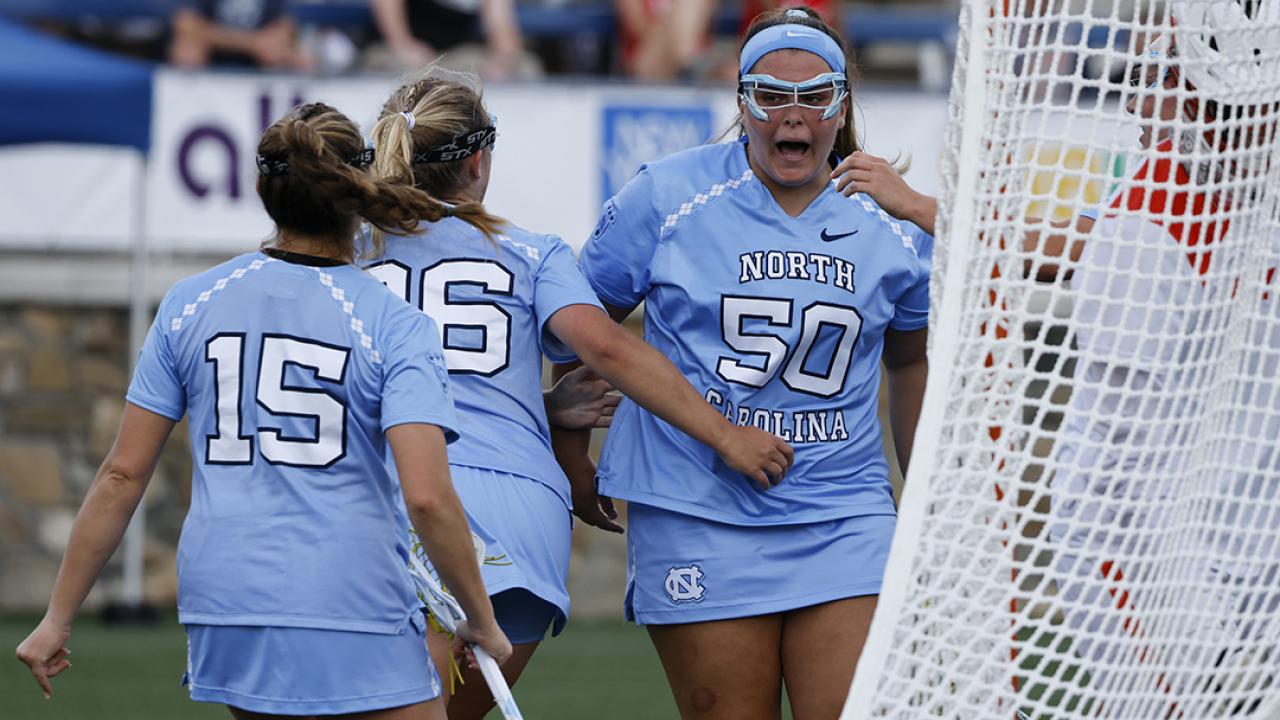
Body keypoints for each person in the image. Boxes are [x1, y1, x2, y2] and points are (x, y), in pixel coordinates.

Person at [834, 1, 1280, 712]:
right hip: (1182, 555)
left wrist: (919, 204)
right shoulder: (1168, 199)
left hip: (1189, 550)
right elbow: (1065, 241)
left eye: (1154, 77)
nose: (1134, 101)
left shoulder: (1198, 193)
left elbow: (1056, 243)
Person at [14, 102, 511, 719]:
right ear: (354, 189)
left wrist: (56, 618)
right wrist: (482, 620)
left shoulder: (190, 302)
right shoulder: (393, 322)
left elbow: (122, 474)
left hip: (224, 607)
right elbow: (429, 497)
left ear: (262, 190)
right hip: (349, 602)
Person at [362, 70, 794, 719]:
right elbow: (607, 350)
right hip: (509, 509)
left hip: (369, 494)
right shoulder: (530, 253)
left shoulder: (343, 255)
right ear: (479, 159)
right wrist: (725, 435)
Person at [564, 7, 933, 717]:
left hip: (842, 511)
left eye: (814, 95)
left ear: (842, 103)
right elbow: (581, 327)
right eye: (770, 95)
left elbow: (910, 363)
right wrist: (570, 444)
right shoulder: (666, 194)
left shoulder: (894, 218)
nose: (792, 116)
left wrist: (918, 501)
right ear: (741, 102)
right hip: (697, 508)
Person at [367, 0, 538, 80]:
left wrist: (502, 62)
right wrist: (402, 45)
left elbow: (502, 28)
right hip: (397, 50)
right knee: (406, 71)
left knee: (524, 66)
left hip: (454, 55)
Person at [169, 0, 313, 70]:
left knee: (299, 58)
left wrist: (268, 44)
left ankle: (282, 121)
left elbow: (286, 26)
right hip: (213, 49)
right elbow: (185, 23)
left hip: (261, 55)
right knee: (187, 49)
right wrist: (251, 43)